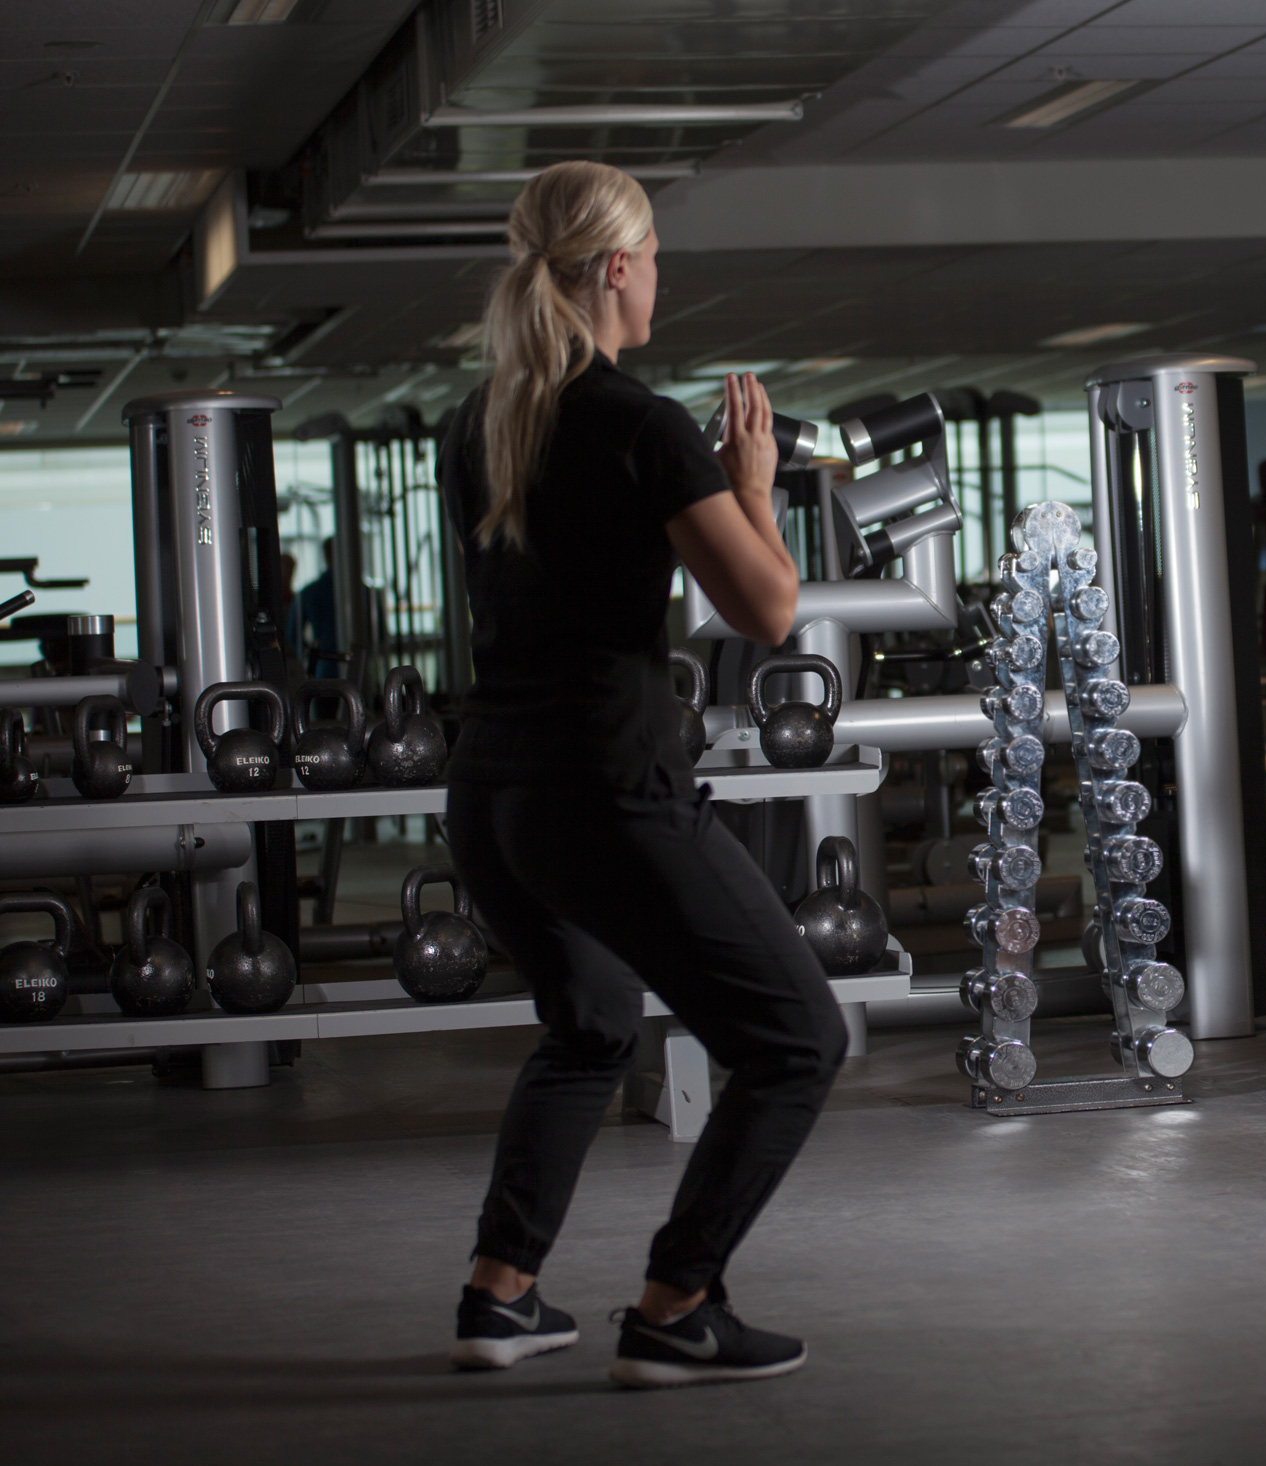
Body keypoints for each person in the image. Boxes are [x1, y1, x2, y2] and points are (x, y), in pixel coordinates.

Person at [436, 161, 845, 1387]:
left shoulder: (481, 417)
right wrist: (753, 484)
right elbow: (767, 609)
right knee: (794, 1040)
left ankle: (498, 1295)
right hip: (604, 792)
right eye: (654, 253)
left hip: (491, 795)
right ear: (617, 268)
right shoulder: (637, 422)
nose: (661, 274)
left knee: (593, 1019)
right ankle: (677, 1303)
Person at [286, 540, 343, 678]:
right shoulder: (362, 591)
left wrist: (312, 654)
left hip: (324, 667)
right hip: (358, 667)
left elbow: (293, 635)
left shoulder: (309, 592)